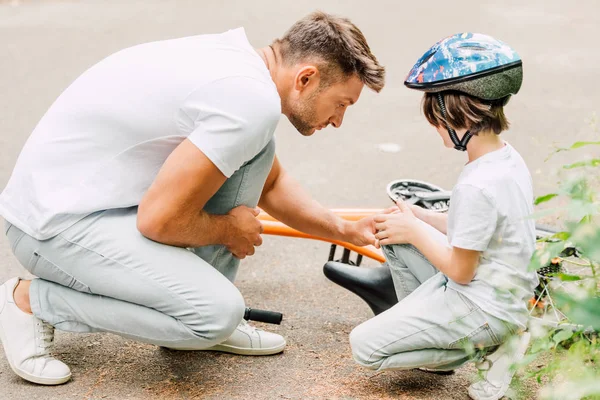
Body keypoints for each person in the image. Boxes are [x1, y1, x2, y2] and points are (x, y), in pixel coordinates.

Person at [0, 11, 385, 385]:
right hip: (50, 227)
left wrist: (345, 230)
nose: (338, 121)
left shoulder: (243, 70)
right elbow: (159, 220)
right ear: (306, 77)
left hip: (86, 202)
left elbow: (269, 183)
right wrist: (228, 229)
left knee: (258, 150)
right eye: (341, 103)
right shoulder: (251, 103)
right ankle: (31, 302)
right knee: (217, 312)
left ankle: (191, 315)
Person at [349, 33, 536, 400]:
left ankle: (491, 349)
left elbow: (462, 269)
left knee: (365, 347)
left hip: (485, 304)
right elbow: (474, 229)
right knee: (398, 237)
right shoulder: (504, 159)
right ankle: (450, 337)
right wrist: (418, 217)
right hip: (498, 289)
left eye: (435, 118)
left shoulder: (477, 184)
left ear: (457, 114)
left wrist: (415, 231)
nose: (434, 127)